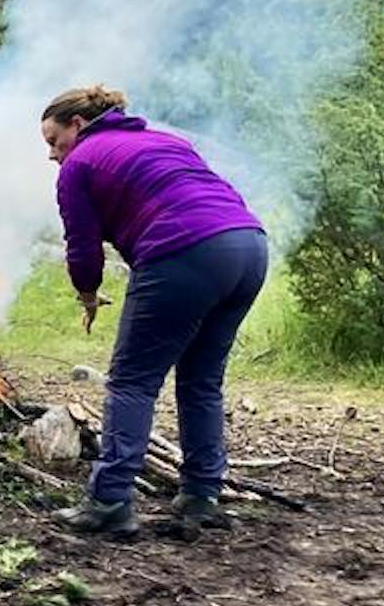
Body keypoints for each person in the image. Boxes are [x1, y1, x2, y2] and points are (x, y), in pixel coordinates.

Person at [42, 84, 268, 536]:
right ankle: (201, 496)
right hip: (249, 247)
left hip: (183, 251)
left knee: (132, 381)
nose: (51, 154)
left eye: (53, 140)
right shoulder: (167, 140)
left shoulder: (79, 163)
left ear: (77, 125)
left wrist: (87, 294)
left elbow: (83, 247)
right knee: (201, 380)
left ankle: (110, 501)